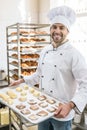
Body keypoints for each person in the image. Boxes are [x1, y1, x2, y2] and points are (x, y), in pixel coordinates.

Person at [10, 6, 87, 130]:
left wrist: (70, 105)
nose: (57, 31)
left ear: (67, 31)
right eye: (54, 27)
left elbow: (85, 85)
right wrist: (22, 80)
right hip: (43, 109)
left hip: (62, 114)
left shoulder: (75, 55)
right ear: (50, 30)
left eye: (61, 27)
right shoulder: (45, 50)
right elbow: (38, 74)